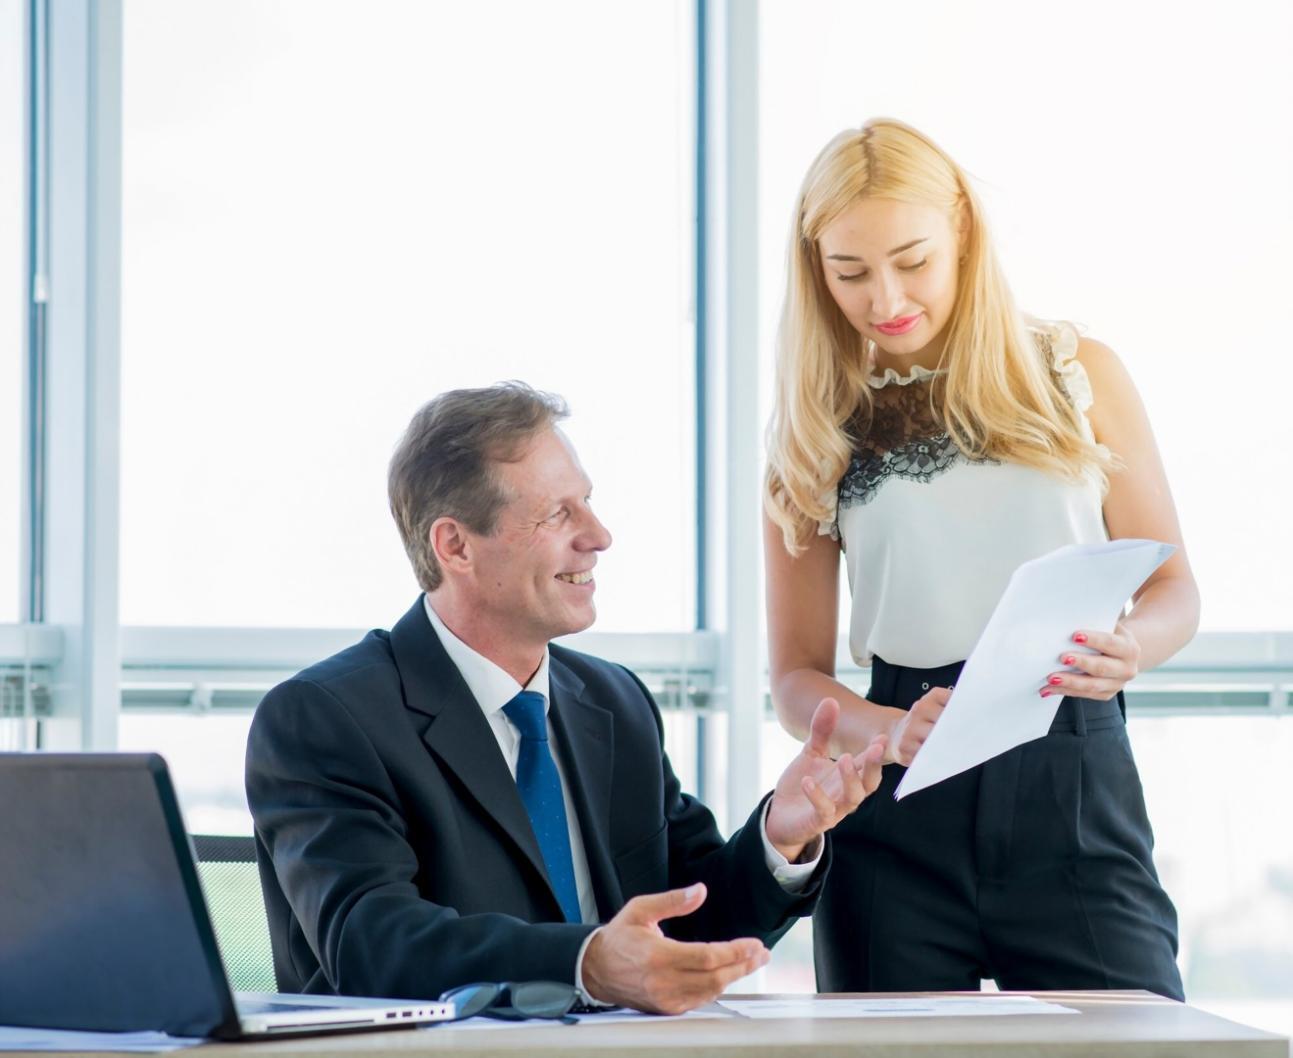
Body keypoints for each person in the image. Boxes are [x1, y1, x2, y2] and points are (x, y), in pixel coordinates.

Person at [246, 383, 888, 1014]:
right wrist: (586, 964)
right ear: (456, 546)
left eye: (587, 503)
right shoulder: (326, 717)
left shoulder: (614, 702)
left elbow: (689, 919)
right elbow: (371, 944)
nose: (600, 535)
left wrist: (780, 835)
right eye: (558, 514)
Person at [763, 118, 1197, 999]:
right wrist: (885, 733)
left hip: (1073, 773)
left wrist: (1134, 648)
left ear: (962, 228)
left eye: (911, 259)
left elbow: (1172, 588)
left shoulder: (1078, 374)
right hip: (894, 796)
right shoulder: (814, 428)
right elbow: (794, 677)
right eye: (848, 272)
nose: (883, 295)